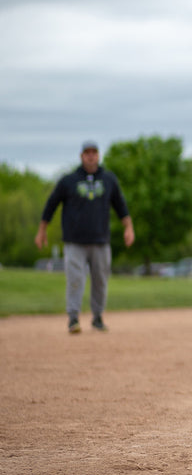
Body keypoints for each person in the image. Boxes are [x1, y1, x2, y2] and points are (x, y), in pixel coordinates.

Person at [35, 140, 135, 334]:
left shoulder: (108, 179)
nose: (91, 156)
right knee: (75, 279)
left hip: (101, 240)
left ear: (98, 155)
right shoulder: (69, 180)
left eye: (94, 153)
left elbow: (121, 205)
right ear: (81, 156)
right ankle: (73, 318)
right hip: (75, 241)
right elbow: (51, 205)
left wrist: (129, 227)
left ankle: (97, 317)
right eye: (87, 153)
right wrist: (42, 230)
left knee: (100, 280)